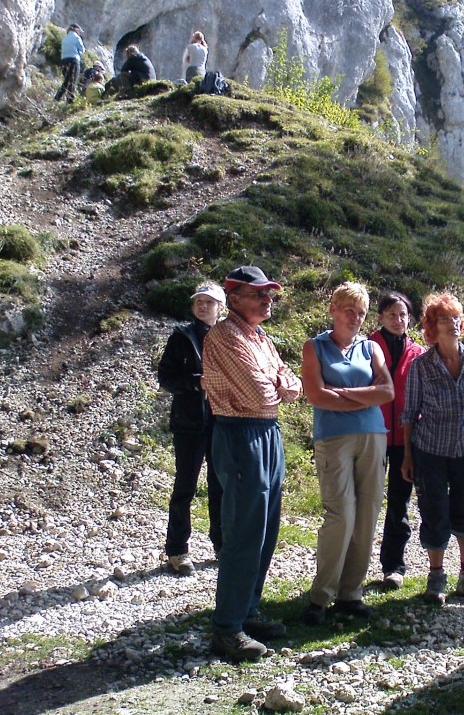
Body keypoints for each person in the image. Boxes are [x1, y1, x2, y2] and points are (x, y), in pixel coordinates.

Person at [201, 266, 302, 662]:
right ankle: (227, 627)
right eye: (258, 293)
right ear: (234, 298)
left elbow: (291, 382)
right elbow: (260, 393)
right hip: (240, 434)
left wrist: (279, 383)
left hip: (267, 432)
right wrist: (278, 384)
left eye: (269, 293)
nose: (267, 299)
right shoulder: (224, 336)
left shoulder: (258, 336)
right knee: (244, 531)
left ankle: (247, 609)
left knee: (266, 529)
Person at [401, 293, 464, 605]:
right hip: (429, 449)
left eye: (456, 317)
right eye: (445, 319)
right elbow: (409, 413)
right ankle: (436, 577)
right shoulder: (421, 365)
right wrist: (407, 456)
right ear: (432, 327)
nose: (453, 324)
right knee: (434, 512)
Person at [301, 282, 394, 625]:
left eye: (361, 312)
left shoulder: (371, 348)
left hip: (373, 436)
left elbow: (387, 392)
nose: (355, 318)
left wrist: (340, 392)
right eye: (349, 310)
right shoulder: (315, 347)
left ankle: (350, 593)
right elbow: (316, 397)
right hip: (333, 438)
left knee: (367, 515)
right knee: (341, 516)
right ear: (334, 310)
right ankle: (321, 595)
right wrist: (360, 395)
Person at [157, 282, 226, 576]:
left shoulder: (229, 337)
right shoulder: (181, 337)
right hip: (189, 423)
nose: (203, 306)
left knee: (220, 487)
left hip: (222, 421)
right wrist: (194, 382)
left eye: (209, 302)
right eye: (199, 301)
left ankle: (222, 546)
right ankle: (177, 550)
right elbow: (166, 377)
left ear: (220, 308)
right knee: (185, 486)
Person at [370, 292, 425, 590]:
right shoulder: (366, 346)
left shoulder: (416, 351)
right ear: (380, 317)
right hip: (372, 433)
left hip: (405, 437)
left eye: (403, 315)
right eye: (391, 314)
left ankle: (393, 565)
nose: (398, 319)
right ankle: (351, 566)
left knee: (399, 503)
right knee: (366, 501)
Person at [54, 23, 85, 102]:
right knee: (73, 81)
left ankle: (58, 99)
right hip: (73, 60)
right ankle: (68, 101)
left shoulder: (65, 38)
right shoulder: (76, 37)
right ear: (76, 29)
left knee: (67, 81)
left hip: (64, 61)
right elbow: (82, 50)